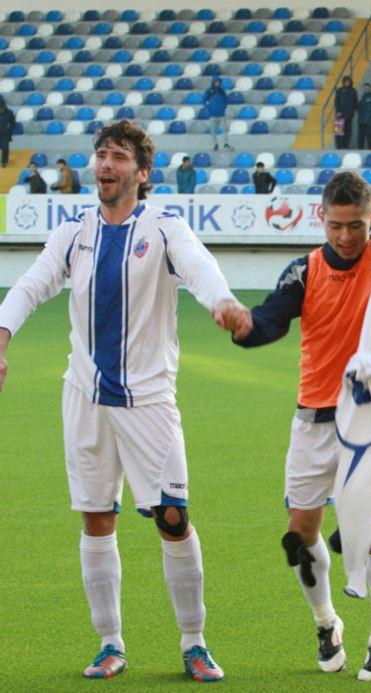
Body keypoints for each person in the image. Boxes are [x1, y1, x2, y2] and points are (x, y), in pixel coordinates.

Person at [0, 119, 249, 682]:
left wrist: (223, 301)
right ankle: (109, 642)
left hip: (149, 401)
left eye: (118, 157)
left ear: (142, 171)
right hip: (85, 397)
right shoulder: (74, 231)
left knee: (173, 518)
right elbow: (32, 283)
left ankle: (194, 642)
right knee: (96, 517)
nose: (105, 166)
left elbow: (199, 266)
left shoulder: (163, 226)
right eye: (101, 155)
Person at [229, 137, 371, 682]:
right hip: (314, 419)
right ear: (321, 219)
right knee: (301, 532)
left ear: (370, 220)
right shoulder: (304, 270)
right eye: (336, 225)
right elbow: (271, 317)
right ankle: (326, 622)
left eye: (356, 225)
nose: (345, 236)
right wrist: (245, 327)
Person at [204, 77, 231, 151]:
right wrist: (208, 108)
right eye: (216, 82)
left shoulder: (222, 90)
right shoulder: (209, 91)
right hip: (213, 115)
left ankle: (225, 143)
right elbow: (204, 100)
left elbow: (226, 100)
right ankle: (215, 144)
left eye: (218, 82)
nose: (217, 83)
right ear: (213, 82)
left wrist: (224, 107)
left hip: (221, 115)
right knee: (212, 130)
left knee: (224, 129)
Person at [334, 76, 359, 150]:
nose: (347, 83)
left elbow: (355, 102)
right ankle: (339, 147)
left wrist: (353, 110)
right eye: (346, 81)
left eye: (348, 81)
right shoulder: (340, 90)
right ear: (343, 82)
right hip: (340, 114)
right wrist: (338, 111)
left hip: (349, 115)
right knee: (338, 131)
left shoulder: (353, 90)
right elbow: (337, 101)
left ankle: (345, 146)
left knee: (348, 132)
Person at [357, 83, 371, 149]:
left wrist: (370, 116)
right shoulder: (361, 97)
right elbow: (357, 106)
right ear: (363, 89)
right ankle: (360, 149)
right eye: (365, 88)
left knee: (370, 136)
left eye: (367, 88)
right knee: (361, 136)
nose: (366, 89)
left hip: (369, 120)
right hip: (361, 120)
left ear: (370, 88)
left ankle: (370, 150)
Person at [0, 95, 16, 167]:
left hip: (5, 134)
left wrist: (9, 131)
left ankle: (4, 162)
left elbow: (13, 123)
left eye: (1, 109)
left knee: (5, 148)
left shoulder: (9, 113)